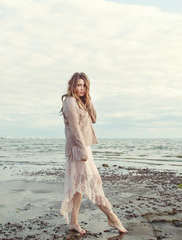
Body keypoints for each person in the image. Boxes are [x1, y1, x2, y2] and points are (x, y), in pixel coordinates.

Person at [60, 72, 127, 235]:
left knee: (79, 187)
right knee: (94, 183)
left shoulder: (81, 102)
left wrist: (88, 99)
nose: (81, 88)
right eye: (78, 85)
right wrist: (83, 152)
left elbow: (94, 118)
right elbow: (75, 130)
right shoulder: (69, 102)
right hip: (78, 149)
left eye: (84, 85)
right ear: (72, 85)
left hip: (84, 147)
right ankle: (112, 217)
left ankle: (74, 222)